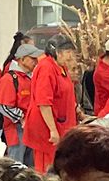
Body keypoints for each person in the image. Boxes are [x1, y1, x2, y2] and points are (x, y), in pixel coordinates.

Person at [24, 35, 79, 173]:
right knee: (47, 170)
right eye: (67, 52)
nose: (70, 56)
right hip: (47, 129)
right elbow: (44, 103)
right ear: (56, 52)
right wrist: (53, 130)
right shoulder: (46, 68)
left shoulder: (61, 67)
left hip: (62, 125)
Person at [0, 44, 40, 166]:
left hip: (31, 128)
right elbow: (3, 106)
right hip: (17, 129)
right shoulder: (9, 79)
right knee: (16, 164)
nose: (36, 62)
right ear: (22, 59)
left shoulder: (30, 78)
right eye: (32, 58)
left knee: (30, 165)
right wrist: (22, 118)